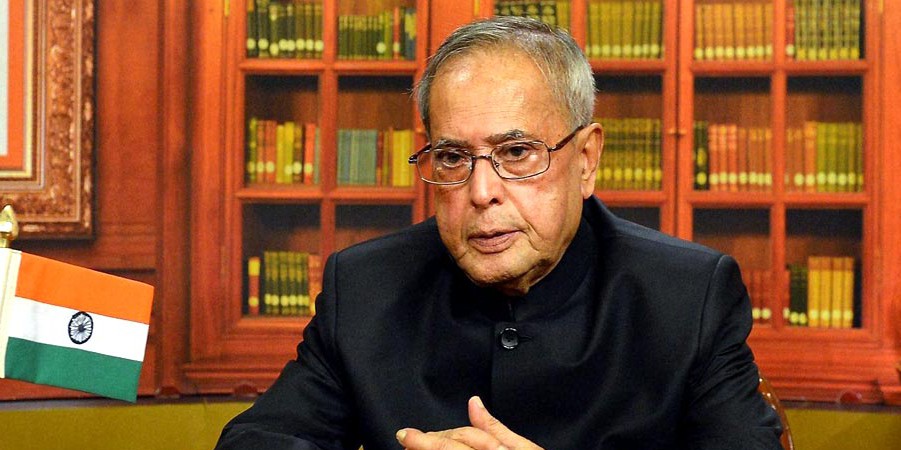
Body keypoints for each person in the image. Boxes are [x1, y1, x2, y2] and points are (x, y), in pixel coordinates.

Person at [216, 16, 783, 450]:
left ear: (586, 160)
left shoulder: (688, 296)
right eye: (452, 157)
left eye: (516, 152)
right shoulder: (366, 287)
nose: (481, 191)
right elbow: (256, 441)